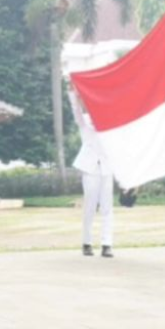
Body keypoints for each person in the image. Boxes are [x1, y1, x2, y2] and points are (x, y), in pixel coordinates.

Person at [71, 89, 115, 258]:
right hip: (90, 167)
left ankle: (107, 244)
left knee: (107, 207)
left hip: (106, 167)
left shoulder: (110, 121)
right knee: (90, 206)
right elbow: (76, 112)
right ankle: (87, 242)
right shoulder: (85, 121)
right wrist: (72, 94)